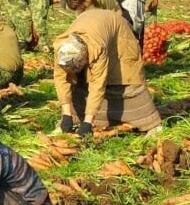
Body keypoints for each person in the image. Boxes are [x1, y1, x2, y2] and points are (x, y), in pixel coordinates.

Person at [53, 9, 162, 137]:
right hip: (94, 23)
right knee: (79, 80)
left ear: (85, 57)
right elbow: (61, 80)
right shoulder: (63, 50)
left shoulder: (97, 48)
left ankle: (151, 124)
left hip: (119, 33)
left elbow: (97, 85)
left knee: (125, 79)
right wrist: (66, 114)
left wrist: (88, 123)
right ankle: (75, 118)